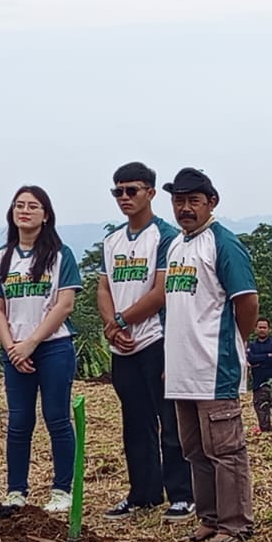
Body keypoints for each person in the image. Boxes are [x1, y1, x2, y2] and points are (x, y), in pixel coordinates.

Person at [161, 167, 260, 542]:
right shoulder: (176, 246)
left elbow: (247, 301)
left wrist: (237, 342)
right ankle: (209, 517)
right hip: (182, 369)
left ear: (211, 203)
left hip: (214, 366)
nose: (185, 208)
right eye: (179, 201)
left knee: (225, 450)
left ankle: (235, 523)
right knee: (194, 449)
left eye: (193, 201)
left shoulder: (223, 244)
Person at [97, 161, 194, 522]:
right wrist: (112, 326)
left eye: (132, 190)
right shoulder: (112, 241)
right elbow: (103, 287)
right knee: (135, 422)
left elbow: (161, 290)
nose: (124, 197)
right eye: (118, 191)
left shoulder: (166, 237)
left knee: (170, 422)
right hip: (122, 345)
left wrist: (122, 320)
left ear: (150, 192)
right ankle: (143, 493)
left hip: (157, 340)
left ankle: (182, 494)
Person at [0, 185, 83, 513]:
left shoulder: (60, 255)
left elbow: (64, 305)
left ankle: (62, 490)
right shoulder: (2, 257)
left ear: (46, 216)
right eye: (19, 205)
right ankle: (16, 491)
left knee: (57, 418)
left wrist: (31, 343)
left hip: (53, 348)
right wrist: (12, 347)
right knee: (19, 422)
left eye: (33, 206)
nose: (24, 211)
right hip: (15, 350)